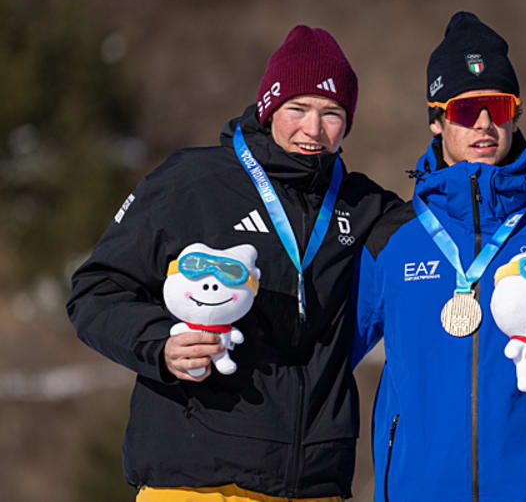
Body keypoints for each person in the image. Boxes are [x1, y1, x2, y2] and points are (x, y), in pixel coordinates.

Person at [67, 25, 400, 501]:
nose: (313, 129)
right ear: (269, 108)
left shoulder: (365, 206)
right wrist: (161, 344)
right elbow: (94, 291)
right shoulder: (192, 182)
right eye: (298, 109)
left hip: (313, 483)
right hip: (197, 480)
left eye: (332, 114)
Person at [351, 12, 526, 502]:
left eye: (497, 106)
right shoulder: (390, 239)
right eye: (462, 109)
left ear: (515, 113)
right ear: (436, 119)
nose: (483, 123)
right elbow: (324, 359)